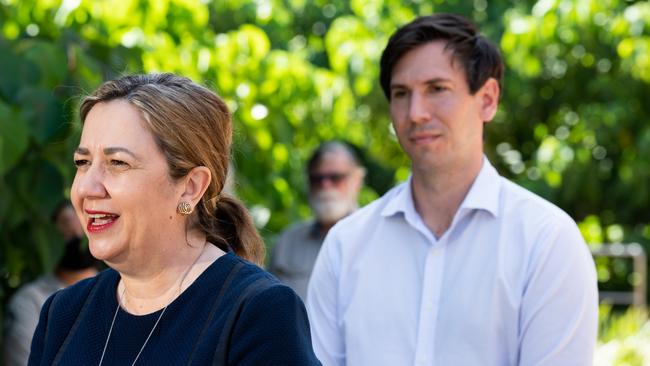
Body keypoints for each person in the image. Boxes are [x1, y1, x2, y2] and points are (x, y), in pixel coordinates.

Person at [306, 13, 598, 366]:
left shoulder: (546, 240)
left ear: (487, 99)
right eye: (401, 94)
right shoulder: (345, 245)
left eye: (437, 89)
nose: (415, 113)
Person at [28, 74, 320, 365]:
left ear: (190, 187)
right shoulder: (64, 314)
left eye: (118, 163)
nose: (86, 189)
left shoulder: (257, 313)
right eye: (83, 162)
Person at [4, 201, 98, 366]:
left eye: (83, 225)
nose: (77, 233)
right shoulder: (30, 301)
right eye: (67, 227)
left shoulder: (123, 290)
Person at [269, 141, 365, 300]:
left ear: (356, 181)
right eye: (317, 179)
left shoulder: (375, 236)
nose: (325, 185)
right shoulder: (288, 242)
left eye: (335, 178)